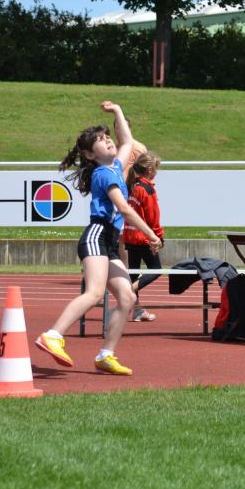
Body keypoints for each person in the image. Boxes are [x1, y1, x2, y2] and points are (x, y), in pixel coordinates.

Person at [35, 102, 162, 374]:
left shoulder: (115, 165)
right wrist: (151, 234)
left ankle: (106, 355)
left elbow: (127, 141)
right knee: (94, 292)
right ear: (90, 155)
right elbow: (124, 209)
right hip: (96, 236)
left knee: (127, 297)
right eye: (101, 140)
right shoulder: (104, 174)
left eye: (107, 137)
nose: (108, 140)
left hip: (109, 242)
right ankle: (52, 335)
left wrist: (117, 111)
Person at [112, 116, 156, 321]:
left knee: (129, 262)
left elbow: (145, 178)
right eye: (116, 127)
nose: (118, 131)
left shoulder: (138, 148)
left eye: (121, 127)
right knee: (124, 261)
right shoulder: (112, 150)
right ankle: (131, 304)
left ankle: (133, 305)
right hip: (116, 206)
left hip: (130, 206)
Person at [123, 151, 165, 318]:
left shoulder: (133, 186)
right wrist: (159, 237)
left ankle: (137, 310)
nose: (157, 172)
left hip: (130, 236)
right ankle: (127, 292)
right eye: (156, 168)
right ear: (149, 170)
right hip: (143, 238)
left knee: (133, 274)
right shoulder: (147, 189)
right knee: (156, 270)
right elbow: (153, 216)